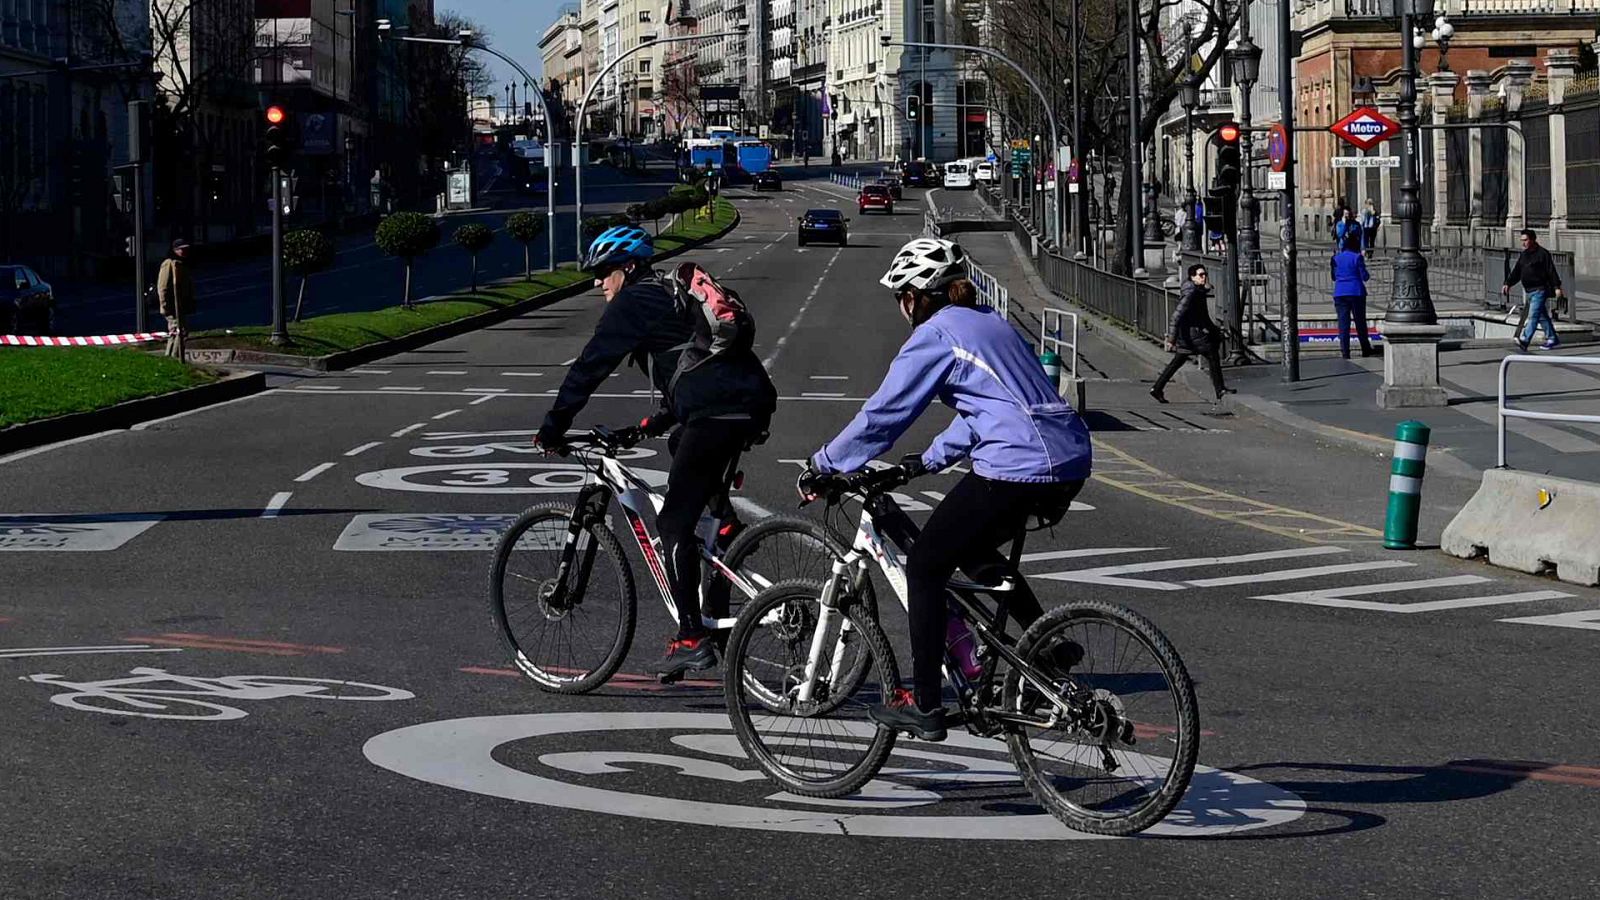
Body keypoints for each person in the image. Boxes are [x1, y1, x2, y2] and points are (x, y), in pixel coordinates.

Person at [799, 237, 1093, 742]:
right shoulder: (992, 325)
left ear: (915, 296)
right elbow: (991, 409)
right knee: (975, 547)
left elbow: (884, 416)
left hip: (1017, 464)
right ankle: (1048, 642)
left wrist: (824, 464)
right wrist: (922, 464)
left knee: (926, 564)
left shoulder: (935, 334)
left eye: (900, 298)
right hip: (1068, 457)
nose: (901, 309)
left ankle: (927, 706)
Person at [535, 225, 777, 678]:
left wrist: (554, 426)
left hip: (716, 412)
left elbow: (590, 367)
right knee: (678, 443)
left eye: (604, 272)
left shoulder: (633, 301)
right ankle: (726, 532)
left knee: (672, 524)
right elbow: (694, 368)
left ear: (627, 268)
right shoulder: (671, 295)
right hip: (749, 403)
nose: (598, 282)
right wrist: (645, 426)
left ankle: (691, 637)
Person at [1150, 264, 1230, 403]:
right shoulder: (1190, 293)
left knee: (1177, 362)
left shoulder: (1195, 290)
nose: (1204, 277)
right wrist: (1171, 338)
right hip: (1193, 336)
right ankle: (1220, 390)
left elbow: (1201, 315)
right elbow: (1176, 315)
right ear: (1192, 277)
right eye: (1200, 275)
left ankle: (1157, 388)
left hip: (1189, 335)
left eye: (1205, 274)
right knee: (1212, 355)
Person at [1502, 228, 1565, 352]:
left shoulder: (1542, 254)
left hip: (1540, 289)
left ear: (1532, 240)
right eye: (1522, 240)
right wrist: (1508, 283)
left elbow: (1551, 271)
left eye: (1525, 240)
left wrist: (1557, 287)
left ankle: (1525, 340)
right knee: (1542, 316)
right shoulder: (1524, 255)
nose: (1523, 243)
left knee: (1533, 316)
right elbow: (1517, 271)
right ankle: (1553, 338)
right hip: (1529, 290)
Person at [1331, 233, 1374, 359]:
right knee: (1360, 322)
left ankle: (1345, 352)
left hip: (1340, 293)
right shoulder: (1357, 257)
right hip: (1356, 292)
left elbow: (1333, 276)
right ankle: (1365, 349)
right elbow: (1365, 277)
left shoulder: (1336, 258)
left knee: (1343, 324)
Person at [157, 238, 195, 359]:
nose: (184, 251)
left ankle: (172, 357)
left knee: (177, 332)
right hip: (172, 306)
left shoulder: (181, 263)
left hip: (180, 305)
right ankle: (174, 357)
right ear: (174, 250)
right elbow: (162, 286)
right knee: (180, 331)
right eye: (181, 249)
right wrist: (165, 305)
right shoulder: (169, 263)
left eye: (185, 249)